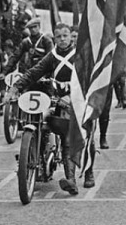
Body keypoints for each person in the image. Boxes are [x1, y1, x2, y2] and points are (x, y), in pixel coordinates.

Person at [6, 23, 90, 192]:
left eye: (65, 35)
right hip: (57, 99)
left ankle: (74, 179)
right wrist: (15, 88)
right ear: (54, 38)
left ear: (71, 37)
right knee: (43, 121)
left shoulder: (80, 55)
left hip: (77, 100)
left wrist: (73, 96)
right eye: (58, 36)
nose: (62, 39)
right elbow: (33, 72)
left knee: (72, 136)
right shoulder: (51, 57)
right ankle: (36, 158)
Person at [0, 39, 15, 115]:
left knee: (10, 93)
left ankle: (11, 109)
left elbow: (14, 67)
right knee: (2, 93)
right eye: (5, 47)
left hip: (11, 77)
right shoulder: (1, 55)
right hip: (2, 76)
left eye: (8, 48)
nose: (7, 49)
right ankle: (1, 109)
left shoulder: (13, 56)